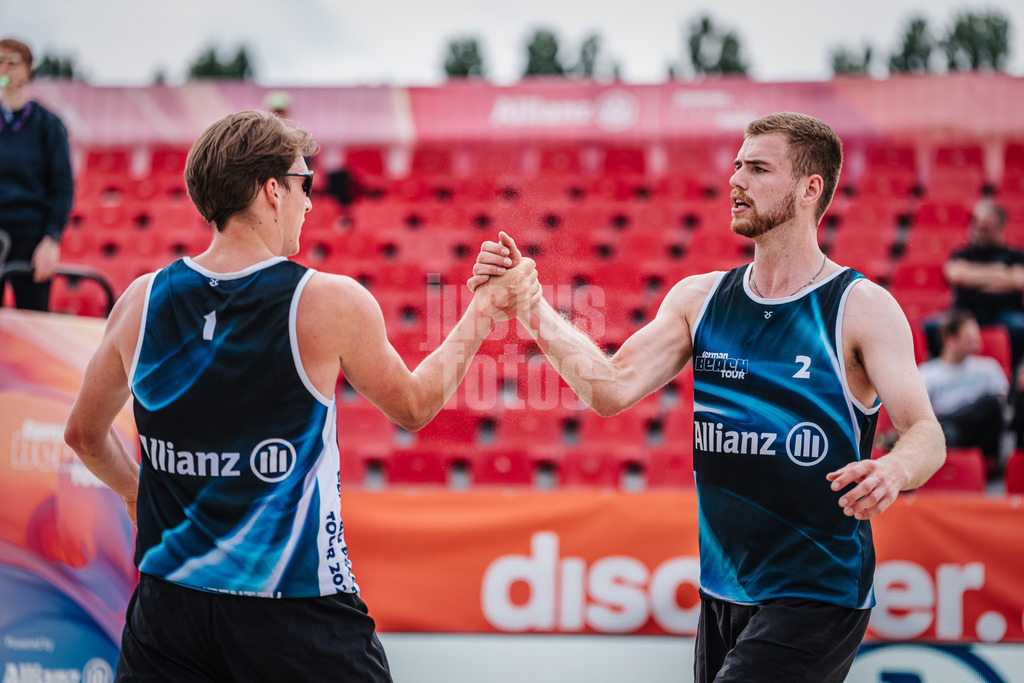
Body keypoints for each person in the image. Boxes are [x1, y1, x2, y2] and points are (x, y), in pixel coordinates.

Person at [64, 110, 539, 682]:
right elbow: (415, 405)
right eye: (303, 184)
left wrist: (138, 494)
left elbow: (84, 435)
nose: (310, 202)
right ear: (271, 191)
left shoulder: (141, 300)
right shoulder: (327, 302)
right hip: (293, 607)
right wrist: (483, 311)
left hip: (169, 607)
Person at [470, 112, 945, 682]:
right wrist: (531, 305)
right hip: (722, 588)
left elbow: (926, 434)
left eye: (759, 168)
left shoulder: (860, 307)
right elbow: (611, 388)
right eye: (737, 164)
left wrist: (894, 469)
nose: (736, 180)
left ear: (808, 189)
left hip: (817, 591)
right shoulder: (700, 298)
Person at [0, 37, 74, 311]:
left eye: (11, 61)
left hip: (31, 239)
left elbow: (63, 188)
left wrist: (51, 240)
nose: (4, 69)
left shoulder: (48, 125)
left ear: (29, 68)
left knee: (31, 321)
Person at [938, 199, 1024, 378]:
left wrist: (974, 276)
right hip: (966, 313)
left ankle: (1015, 379)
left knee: (1020, 327)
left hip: (1006, 313)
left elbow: (1019, 280)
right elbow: (956, 275)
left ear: (1000, 228)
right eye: (977, 225)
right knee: (933, 327)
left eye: (986, 227)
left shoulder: (1015, 255)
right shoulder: (962, 253)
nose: (980, 231)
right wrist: (1001, 274)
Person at [919, 309, 1009, 478]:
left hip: (979, 433)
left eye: (976, 335)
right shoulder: (928, 373)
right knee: (945, 431)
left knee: (990, 404)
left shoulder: (988, 368)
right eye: (969, 337)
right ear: (950, 339)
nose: (976, 340)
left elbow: (999, 409)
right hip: (948, 433)